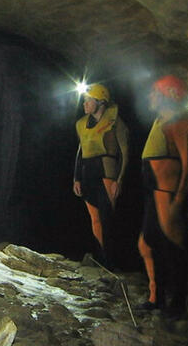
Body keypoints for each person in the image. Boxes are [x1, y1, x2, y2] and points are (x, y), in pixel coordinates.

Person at [136, 75, 188, 318]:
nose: (150, 97)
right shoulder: (161, 120)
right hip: (155, 192)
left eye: (154, 93)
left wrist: (179, 199)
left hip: (166, 193)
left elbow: (187, 161)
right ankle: (156, 295)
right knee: (146, 243)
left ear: (167, 95)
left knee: (173, 246)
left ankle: (178, 301)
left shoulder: (179, 123)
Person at [72, 83, 129, 269]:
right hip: (88, 172)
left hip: (106, 172)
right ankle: (100, 258)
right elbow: (80, 152)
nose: (85, 104)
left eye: (89, 100)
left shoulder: (115, 123)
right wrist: (76, 178)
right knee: (95, 219)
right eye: (85, 100)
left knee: (107, 219)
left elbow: (125, 152)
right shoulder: (81, 124)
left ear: (101, 102)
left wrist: (119, 180)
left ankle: (113, 261)